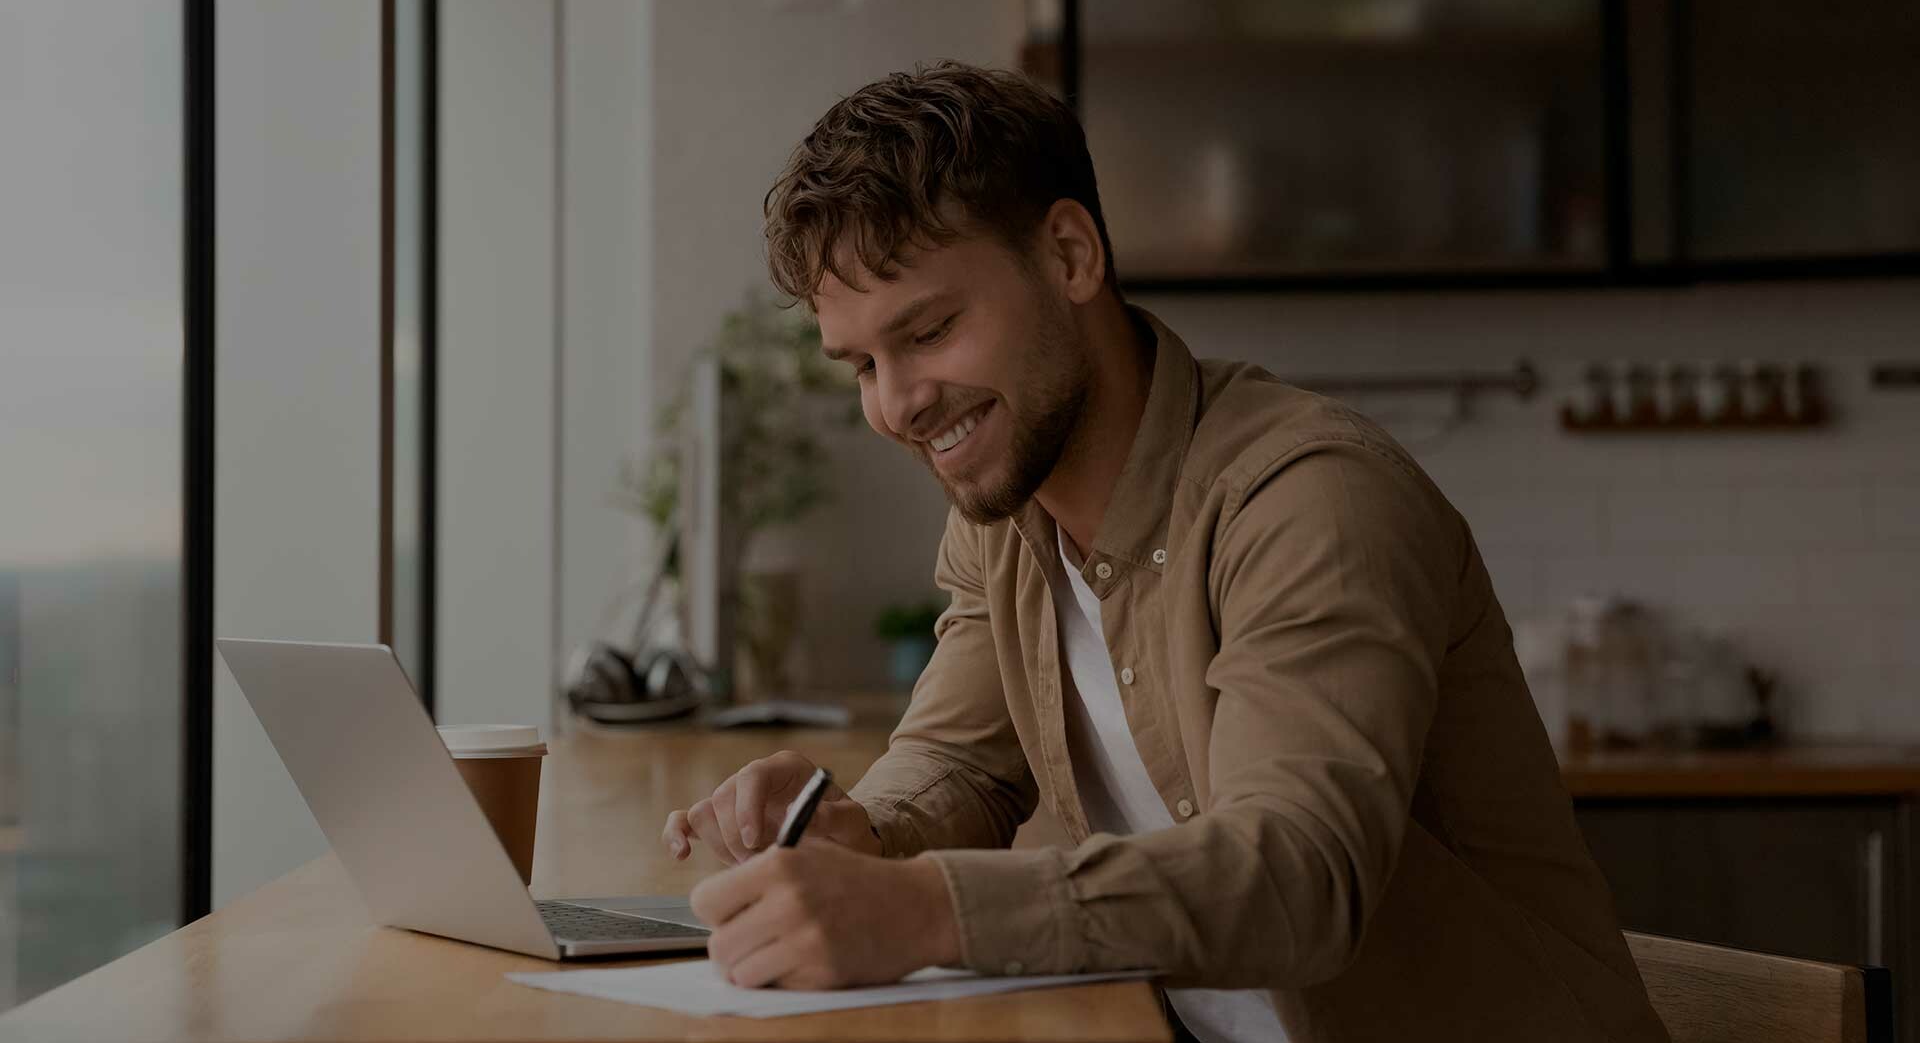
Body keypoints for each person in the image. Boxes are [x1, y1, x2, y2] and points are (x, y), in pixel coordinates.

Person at [662, 61, 1668, 1043]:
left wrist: (926, 909)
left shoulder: (1311, 495)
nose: (896, 403)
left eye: (928, 329)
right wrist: (857, 830)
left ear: (1068, 254)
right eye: (864, 365)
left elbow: (1298, 873)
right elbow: (959, 759)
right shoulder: (1002, 516)